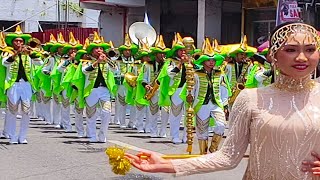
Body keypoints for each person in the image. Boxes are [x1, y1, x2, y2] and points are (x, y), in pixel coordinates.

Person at [125, 22, 320, 179]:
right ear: (273, 56)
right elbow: (228, 157)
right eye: (291, 50)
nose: (302, 58)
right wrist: (168, 164)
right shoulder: (251, 98)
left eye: (310, 49)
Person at [2, 25, 43, 144]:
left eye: (21, 41)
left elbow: (39, 63)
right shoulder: (7, 53)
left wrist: (30, 53)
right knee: (12, 111)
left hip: (26, 85)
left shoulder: (28, 53)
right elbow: (5, 63)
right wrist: (16, 54)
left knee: (26, 111)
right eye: (16, 41)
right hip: (13, 85)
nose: (19, 42)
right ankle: (12, 136)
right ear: (12, 42)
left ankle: (22, 136)